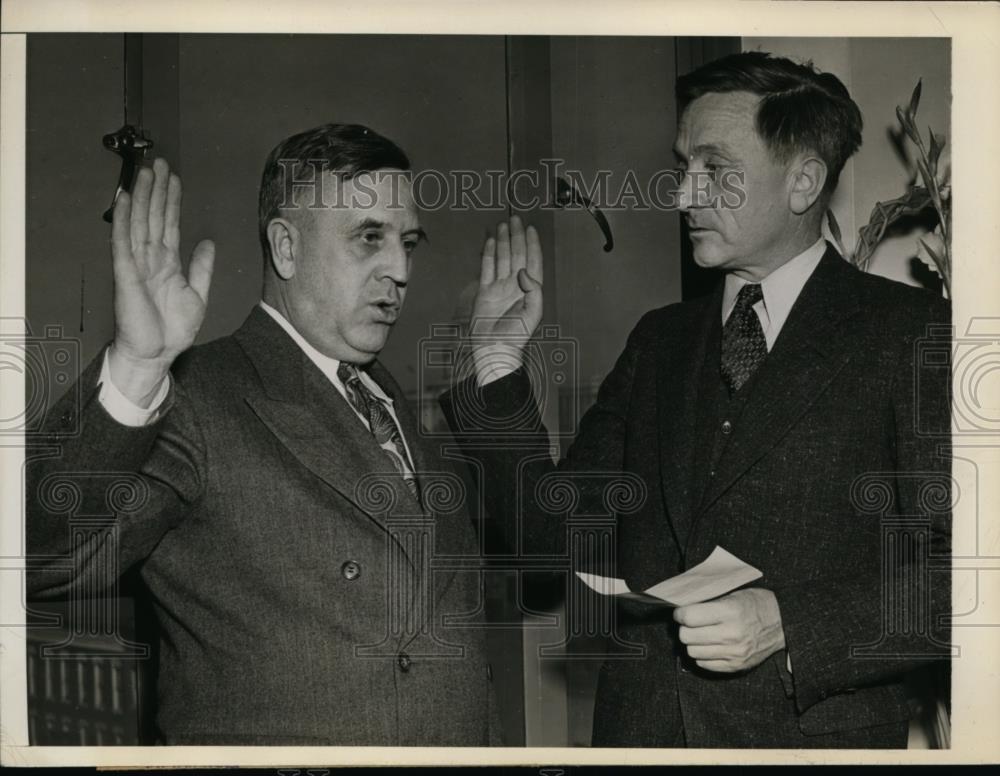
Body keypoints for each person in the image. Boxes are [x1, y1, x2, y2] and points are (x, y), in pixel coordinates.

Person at [440, 52, 952, 748]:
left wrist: (790, 623)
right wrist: (498, 367)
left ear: (803, 180)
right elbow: (545, 539)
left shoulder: (908, 333)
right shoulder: (659, 341)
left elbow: (967, 580)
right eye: (684, 166)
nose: (682, 195)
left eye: (714, 169)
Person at [27, 124, 499, 745]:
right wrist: (138, 368)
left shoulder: (396, 410)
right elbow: (38, 560)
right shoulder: (198, 397)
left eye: (407, 241)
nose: (400, 269)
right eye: (369, 238)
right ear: (286, 248)